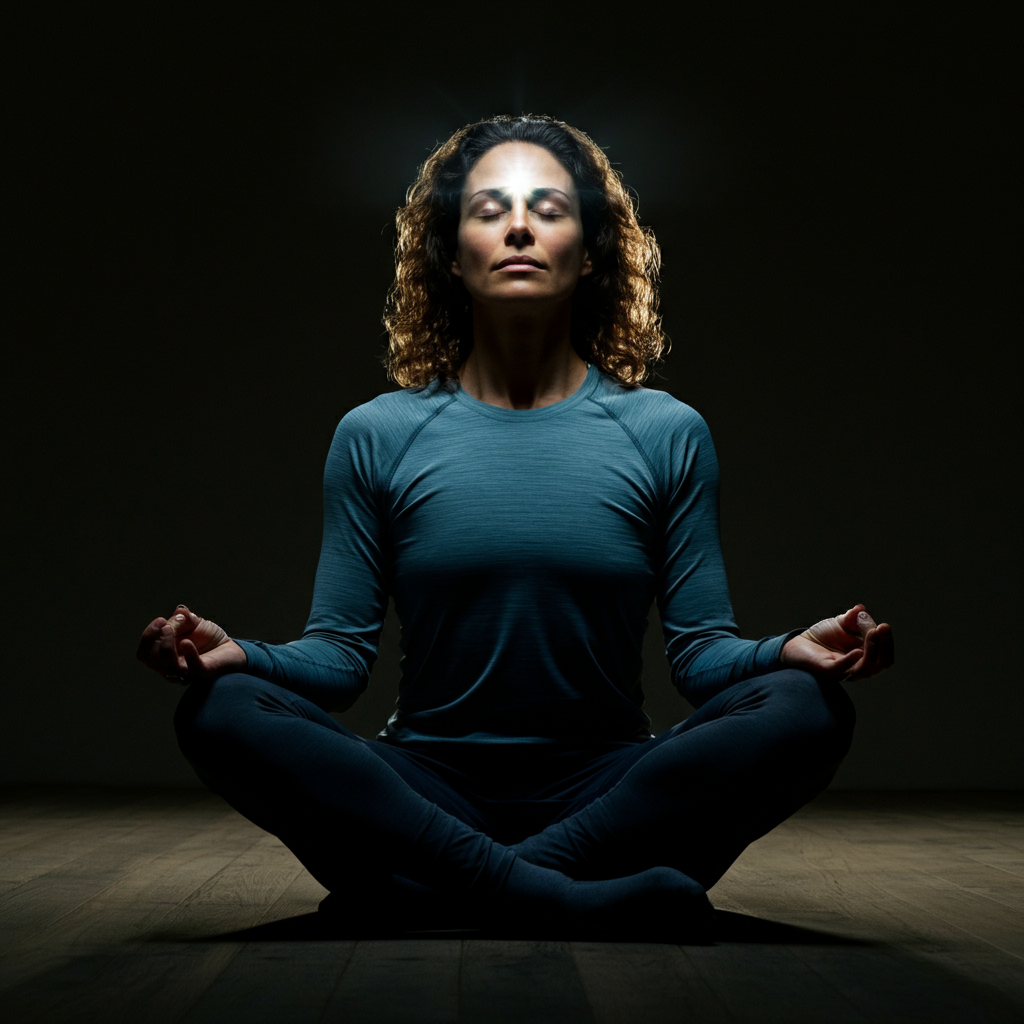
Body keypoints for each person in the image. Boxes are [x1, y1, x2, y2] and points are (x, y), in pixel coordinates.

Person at [136, 114, 894, 941]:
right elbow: (338, 656)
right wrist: (236, 655)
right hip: (420, 788)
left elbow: (702, 651)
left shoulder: (666, 431)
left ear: (593, 247)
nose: (521, 227)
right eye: (490, 208)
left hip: (612, 792)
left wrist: (790, 652)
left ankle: (452, 890)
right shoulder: (377, 433)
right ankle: (559, 897)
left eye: (550, 208)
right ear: (451, 251)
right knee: (220, 710)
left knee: (808, 708)